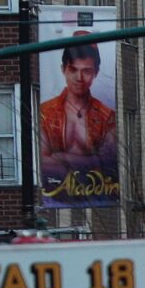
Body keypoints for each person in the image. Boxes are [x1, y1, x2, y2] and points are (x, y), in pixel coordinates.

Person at [39, 41, 120, 186]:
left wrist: (61, 157)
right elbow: (42, 162)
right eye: (73, 70)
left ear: (96, 73)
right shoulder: (45, 113)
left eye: (86, 71)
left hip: (98, 194)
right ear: (63, 69)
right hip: (56, 193)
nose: (79, 78)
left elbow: (109, 163)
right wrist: (90, 161)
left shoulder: (107, 116)